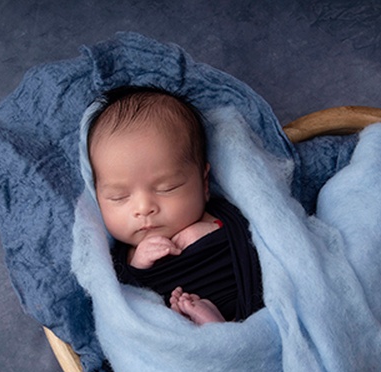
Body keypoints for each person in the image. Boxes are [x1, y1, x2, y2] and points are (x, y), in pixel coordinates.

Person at [87, 87, 264, 324]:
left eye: (167, 188)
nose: (143, 208)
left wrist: (213, 231)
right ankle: (213, 330)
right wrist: (139, 265)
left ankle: (222, 330)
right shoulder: (122, 258)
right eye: (119, 196)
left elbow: (259, 243)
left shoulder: (225, 216)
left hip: (254, 309)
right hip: (180, 336)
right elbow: (126, 300)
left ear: (204, 183)